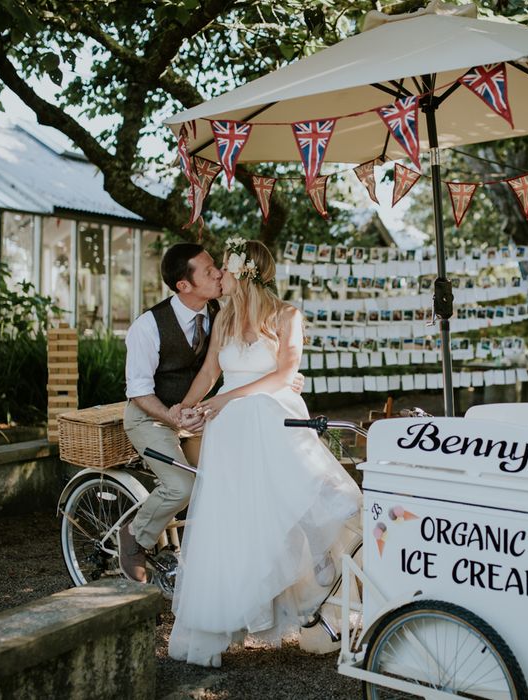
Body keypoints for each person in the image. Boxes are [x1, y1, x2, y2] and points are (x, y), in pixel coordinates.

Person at [168, 238, 362, 668]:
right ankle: (241, 607)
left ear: (245, 273)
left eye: (226, 268)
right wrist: (187, 407)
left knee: (319, 495)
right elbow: (209, 371)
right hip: (233, 433)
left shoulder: (288, 315)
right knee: (241, 521)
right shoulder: (225, 317)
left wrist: (227, 398)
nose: (220, 275)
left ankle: (319, 562)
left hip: (276, 420)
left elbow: (286, 372)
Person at [119, 243, 223, 583]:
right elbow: (138, 392)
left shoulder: (217, 312)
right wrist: (174, 417)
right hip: (150, 418)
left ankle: (202, 554)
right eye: (209, 271)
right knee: (182, 487)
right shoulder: (148, 326)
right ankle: (135, 535)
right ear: (184, 285)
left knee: (222, 476)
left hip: (193, 415)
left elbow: (212, 369)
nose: (219, 273)